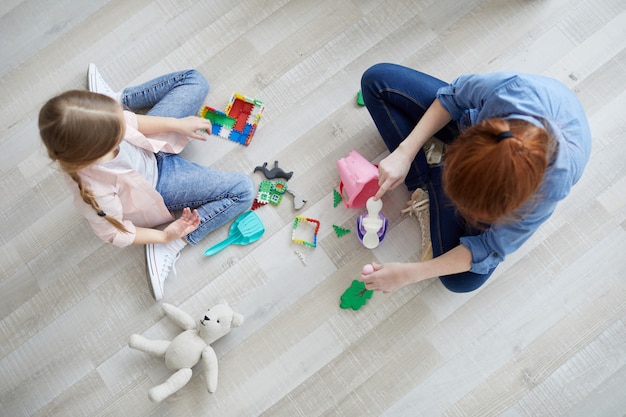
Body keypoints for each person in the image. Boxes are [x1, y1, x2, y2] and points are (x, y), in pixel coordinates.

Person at [359, 63, 591, 294]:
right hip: (486, 126)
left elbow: (490, 247)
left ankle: (429, 177)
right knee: (376, 80)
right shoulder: (510, 91)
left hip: (524, 179)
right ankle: (427, 180)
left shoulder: (549, 190)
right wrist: (404, 152)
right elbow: (453, 97)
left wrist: (408, 274)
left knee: (461, 281)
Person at [39, 64, 255, 300]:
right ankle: (173, 246)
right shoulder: (94, 192)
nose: (123, 123)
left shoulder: (107, 131)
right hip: (159, 182)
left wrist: (176, 124)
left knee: (195, 80)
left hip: (150, 144)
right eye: (117, 125)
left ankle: (117, 98)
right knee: (243, 191)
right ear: (98, 149)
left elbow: (134, 123)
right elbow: (115, 233)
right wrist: (165, 237)